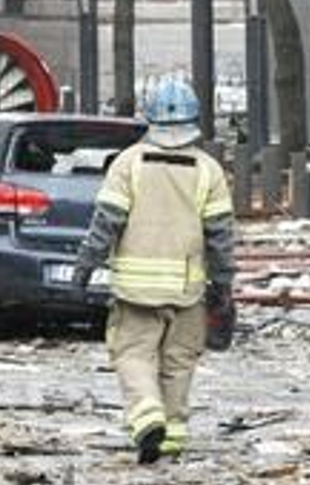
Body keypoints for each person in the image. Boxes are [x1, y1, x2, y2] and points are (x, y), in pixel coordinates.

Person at [73, 76, 235, 464]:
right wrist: (224, 283)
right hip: (187, 291)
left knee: (132, 354)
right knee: (179, 361)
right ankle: (173, 437)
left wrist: (85, 265)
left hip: (135, 292)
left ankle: (147, 416)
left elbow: (105, 222)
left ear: (151, 119)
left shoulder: (129, 164)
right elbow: (220, 236)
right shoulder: (208, 170)